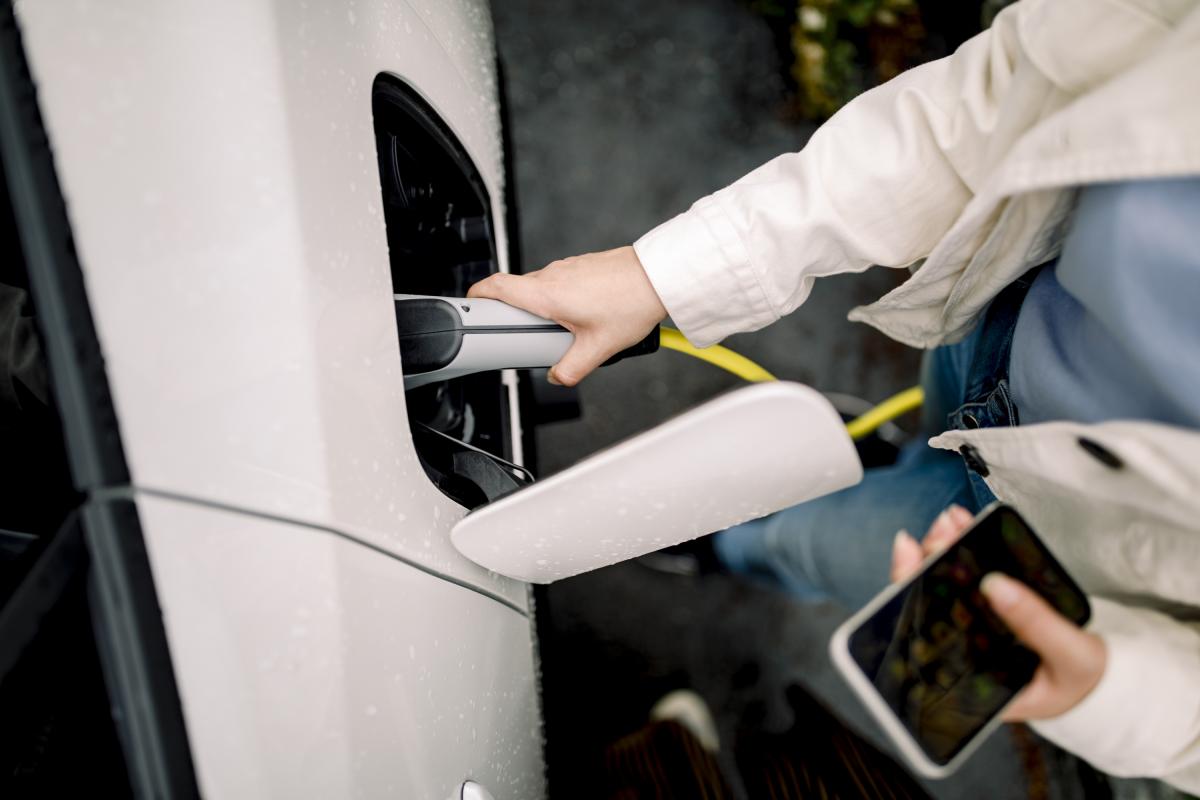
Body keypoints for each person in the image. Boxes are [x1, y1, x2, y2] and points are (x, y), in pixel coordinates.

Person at [469, 0, 1200, 791]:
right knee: (927, 425)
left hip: (1048, 581)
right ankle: (887, 456)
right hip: (1002, 337)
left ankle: (731, 541)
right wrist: (664, 273)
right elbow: (1021, 88)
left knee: (811, 542)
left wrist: (1116, 693)